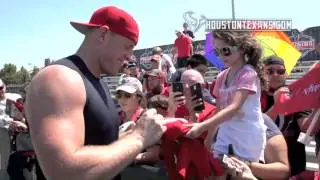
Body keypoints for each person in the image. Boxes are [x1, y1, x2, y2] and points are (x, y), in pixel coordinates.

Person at [24, 6, 166, 180]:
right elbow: (62, 172)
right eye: (127, 47)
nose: (130, 56)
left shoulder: (97, 82)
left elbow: (96, 144)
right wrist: (138, 138)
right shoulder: (60, 78)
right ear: (103, 35)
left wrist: (127, 135)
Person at [186, 31, 267, 167]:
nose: (221, 55)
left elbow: (234, 107)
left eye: (225, 50)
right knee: (218, 171)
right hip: (226, 133)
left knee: (240, 174)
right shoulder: (221, 76)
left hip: (247, 136)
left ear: (241, 48)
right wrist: (209, 137)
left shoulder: (248, 73)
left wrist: (201, 127)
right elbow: (219, 110)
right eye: (218, 51)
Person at [261, 55, 312, 176]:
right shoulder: (254, 96)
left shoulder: (296, 95)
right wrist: (276, 106)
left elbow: (306, 127)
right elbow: (258, 127)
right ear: (262, 74)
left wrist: (317, 108)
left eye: (280, 71)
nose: (275, 75)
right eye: (270, 71)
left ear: (286, 74)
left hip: (294, 162)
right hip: (265, 163)